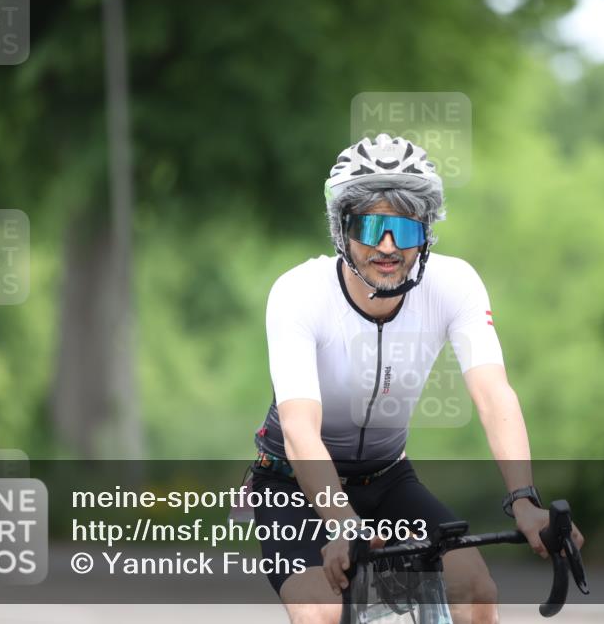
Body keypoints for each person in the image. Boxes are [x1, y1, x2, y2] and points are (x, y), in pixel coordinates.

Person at [250, 133, 584, 624]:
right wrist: (342, 524)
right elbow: (301, 431)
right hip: (293, 489)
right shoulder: (298, 293)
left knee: (474, 591)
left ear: (426, 234)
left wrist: (524, 500)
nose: (388, 247)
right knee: (322, 611)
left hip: (388, 481)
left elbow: (493, 394)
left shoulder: (454, 284)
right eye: (371, 226)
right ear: (342, 230)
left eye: (404, 231)